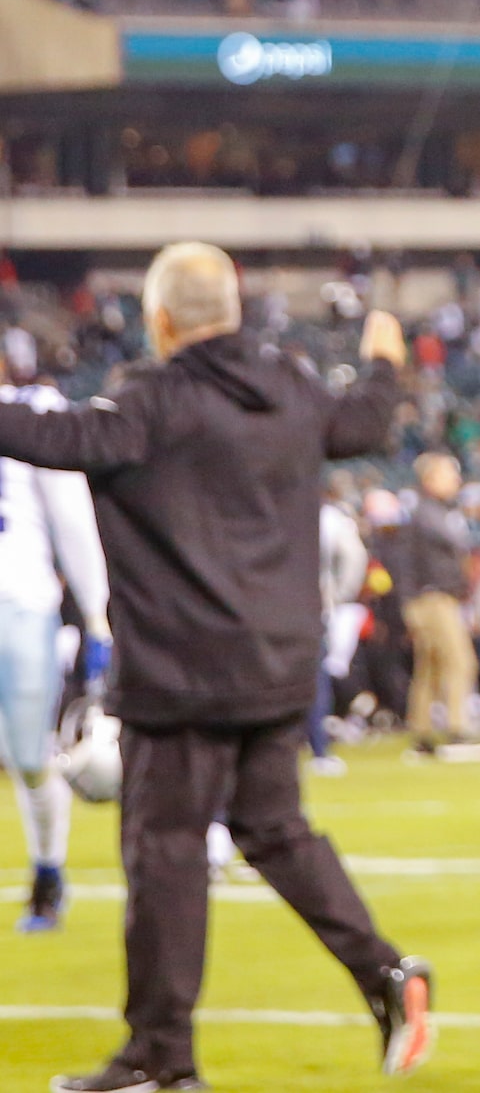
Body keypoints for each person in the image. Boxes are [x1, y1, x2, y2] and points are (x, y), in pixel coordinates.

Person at [0, 244, 432, 1090]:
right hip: (278, 669)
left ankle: (160, 1057)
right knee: (273, 831)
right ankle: (386, 973)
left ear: (162, 323)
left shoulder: (150, 404)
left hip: (183, 679)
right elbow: (366, 423)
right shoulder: (294, 388)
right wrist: (384, 356)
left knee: (164, 855)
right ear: (231, 312)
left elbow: (45, 434)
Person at [2, 373, 108, 934]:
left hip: (20, 599)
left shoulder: (30, 406)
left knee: (27, 754)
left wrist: (96, 612)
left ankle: (48, 872)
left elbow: (72, 517)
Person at [388, 452, 480, 760]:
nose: (456, 480)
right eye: (448, 474)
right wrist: (410, 602)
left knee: (428, 668)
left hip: (433, 597)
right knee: (459, 661)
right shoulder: (426, 514)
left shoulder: (431, 511)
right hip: (432, 598)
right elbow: (411, 560)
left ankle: (422, 734)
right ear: (430, 479)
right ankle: (458, 730)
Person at [308, 479, 368, 778]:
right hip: (309, 608)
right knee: (315, 680)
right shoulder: (329, 519)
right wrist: (339, 596)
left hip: (260, 608)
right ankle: (319, 750)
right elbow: (354, 558)